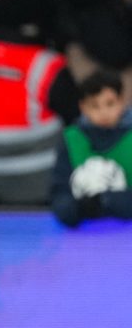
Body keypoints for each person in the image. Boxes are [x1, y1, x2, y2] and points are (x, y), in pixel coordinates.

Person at [50, 70, 132, 227]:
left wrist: (105, 200)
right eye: (94, 106)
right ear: (83, 107)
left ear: (122, 102)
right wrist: (78, 208)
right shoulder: (71, 139)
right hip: (84, 233)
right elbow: (59, 193)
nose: (103, 112)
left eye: (110, 103)